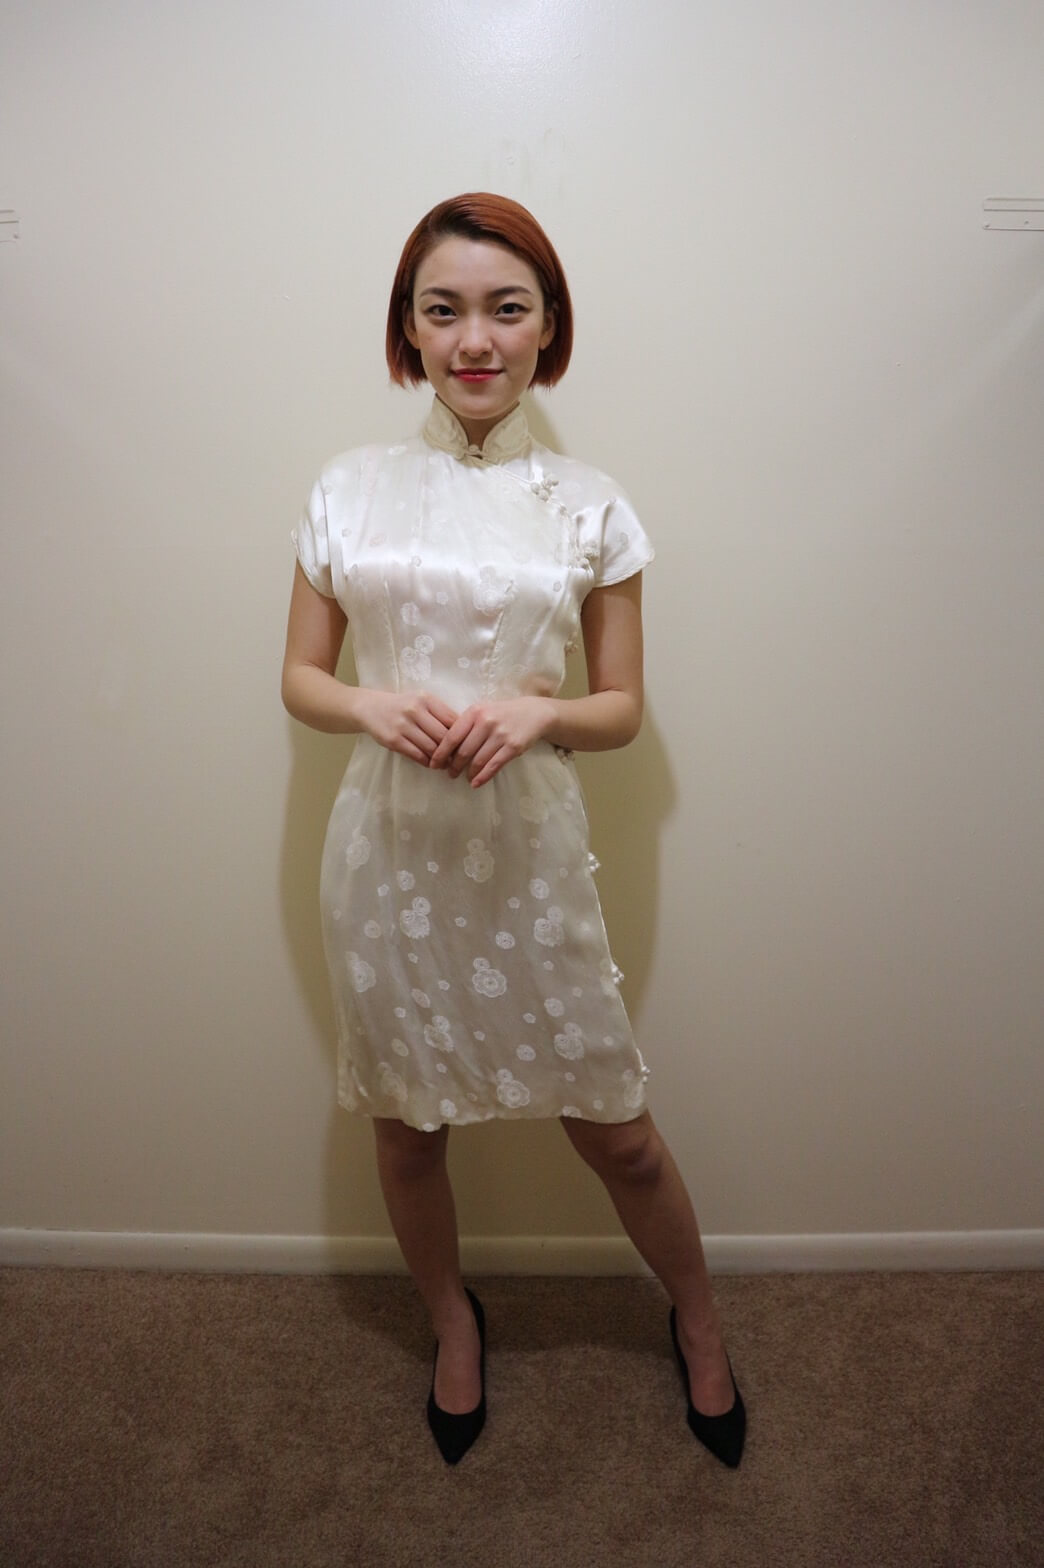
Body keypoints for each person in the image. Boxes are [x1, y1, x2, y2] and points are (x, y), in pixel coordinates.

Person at [281, 193, 745, 1468]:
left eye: (505, 308)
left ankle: (699, 1321)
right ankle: (453, 1321)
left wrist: (541, 716)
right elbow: (301, 678)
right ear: (408, 331)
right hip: (386, 853)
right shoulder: (346, 489)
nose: (474, 338)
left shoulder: (591, 505)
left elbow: (621, 708)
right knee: (406, 1124)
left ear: (549, 327)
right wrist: (372, 702)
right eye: (443, 311)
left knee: (618, 1130)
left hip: (529, 855)